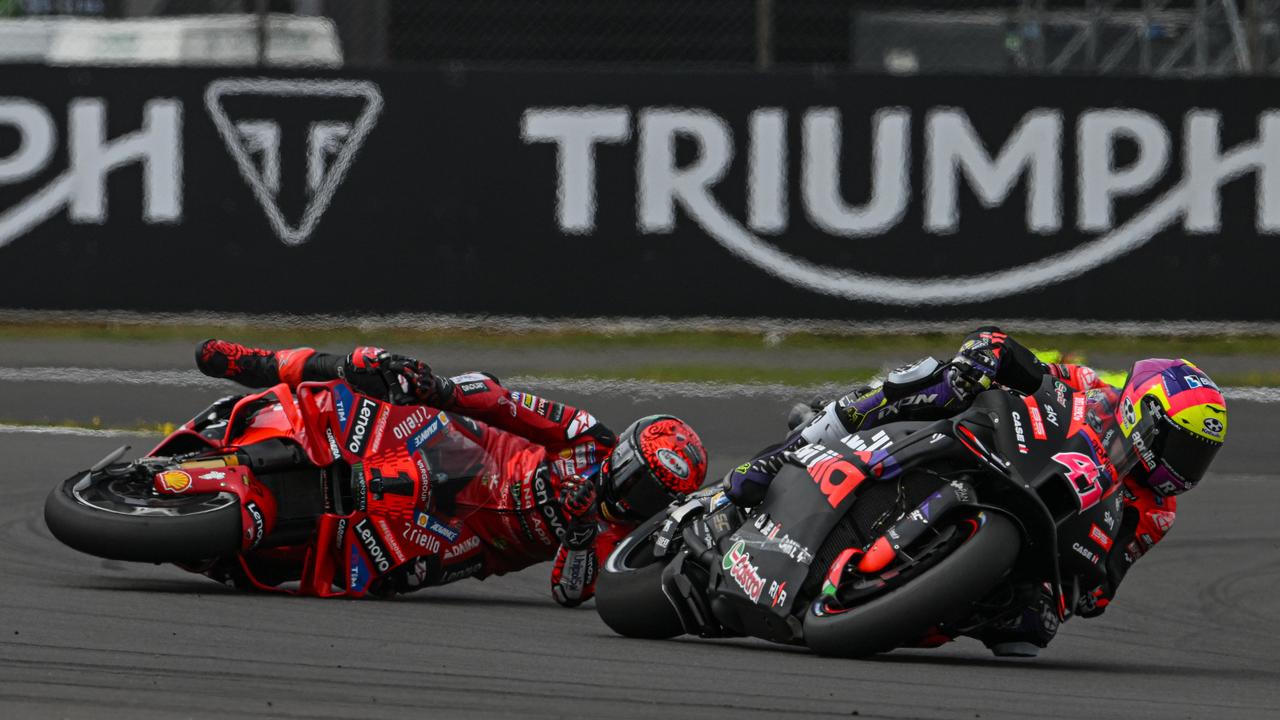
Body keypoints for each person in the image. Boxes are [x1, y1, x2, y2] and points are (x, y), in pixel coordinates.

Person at [723, 327, 1227, 657]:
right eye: (1182, 447)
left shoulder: (1156, 512)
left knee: (1030, 633)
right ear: (1147, 414)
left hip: (1044, 536)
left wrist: (1078, 590)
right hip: (1000, 445)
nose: (1186, 467)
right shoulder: (1095, 389)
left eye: (1199, 456)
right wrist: (989, 353)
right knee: (935, 380)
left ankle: (904, 599)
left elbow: (1100, 591)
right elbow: (1031, 365)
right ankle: (800, 442)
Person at [192, 339, 708, 606]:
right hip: (464, 451)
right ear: (624, 455)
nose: (632, 496)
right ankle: (255, 364)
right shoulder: (588, 437)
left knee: (384, 576)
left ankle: (237, 562)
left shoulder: (620, 539)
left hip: (471, 540)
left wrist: (576, 533)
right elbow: (506, 404)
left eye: (649, 496)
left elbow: (570, 592)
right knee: (375, 369)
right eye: (636, 477)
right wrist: (438, 389)